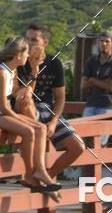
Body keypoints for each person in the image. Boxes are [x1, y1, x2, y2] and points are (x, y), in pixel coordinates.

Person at [0, 37, 60, 196]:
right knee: (29, 131)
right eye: (26, 52)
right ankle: (29, 174)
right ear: (18, 54)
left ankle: (40, 170)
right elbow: (3, 106)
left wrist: (34, 74)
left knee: (41, 128)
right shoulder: (1, 72)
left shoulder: (11, 71)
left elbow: (19, 96)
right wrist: (20, 118)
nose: (28, 56)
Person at [14, 24, 84, 180]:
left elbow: (60, 96)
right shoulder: (19, 62)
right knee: (27, 101)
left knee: (78, 147)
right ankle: (32, 172)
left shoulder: (55, 63)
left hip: (47, 109)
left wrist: (53, 122)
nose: (29, 43)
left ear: (44, 42)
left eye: (33, 39)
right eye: (27, 39)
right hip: (23, 107)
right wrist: (33, 69)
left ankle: (47, 176)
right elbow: (21, 95)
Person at [81, 31, 112, 147]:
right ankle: (82, 165)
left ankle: (100, 164)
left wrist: (93, 80)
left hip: (107, 105)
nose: (103, 44)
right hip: (91, 103)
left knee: (100, 141)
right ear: (97, 43)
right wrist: (103, 82)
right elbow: (83, 84)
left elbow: (111, 86)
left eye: (107, 41)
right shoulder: (92, 60)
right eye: (101, 41)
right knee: (83, 137)